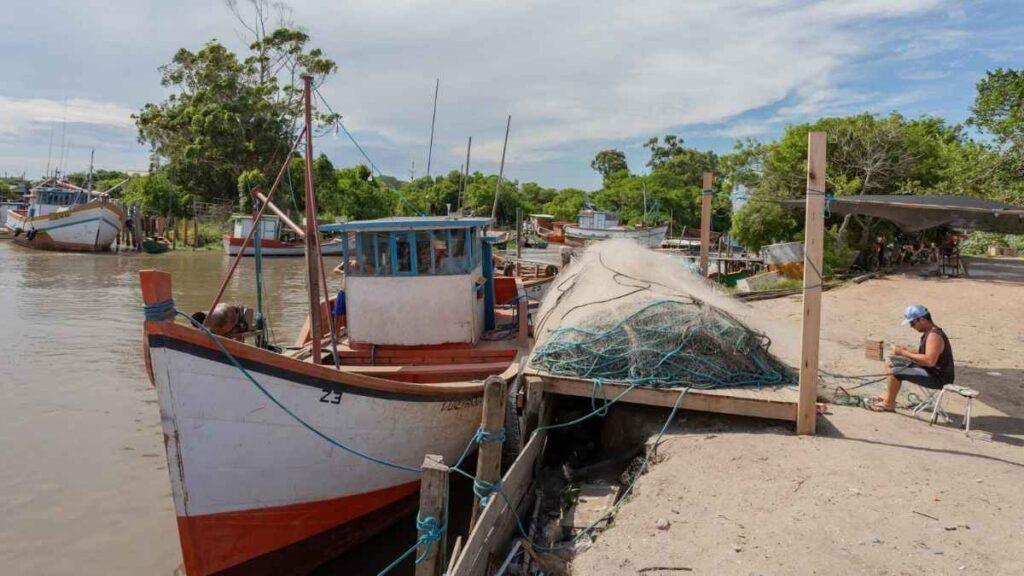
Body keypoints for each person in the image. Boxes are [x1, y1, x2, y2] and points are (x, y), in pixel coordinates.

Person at [869, 304, 955, 412]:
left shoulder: (934, 335)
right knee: (889, 360)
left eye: (912, 322)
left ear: (922, 319)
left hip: (938, 378)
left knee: (894, 371)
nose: (911, 326)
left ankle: (889, 404)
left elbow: (929, 361)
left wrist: (903, 353)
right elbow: (925, 354)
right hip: (930, 371)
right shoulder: (929, 333)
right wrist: (906, 352)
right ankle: (889, 396)